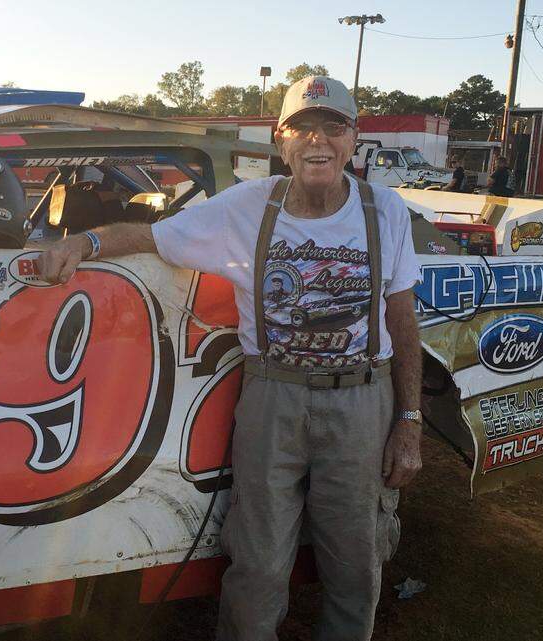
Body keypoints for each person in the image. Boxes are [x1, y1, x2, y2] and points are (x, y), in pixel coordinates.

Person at [38, 75, 423, 641]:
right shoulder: (245, 206)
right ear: (281, 139)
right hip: (273, 399)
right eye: (302, 128)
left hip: (363, 400)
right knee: (258, 559)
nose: (318, 141)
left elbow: (403, 321)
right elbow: (154, 236)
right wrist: (82, 244)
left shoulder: (384, 211)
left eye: (333, 127)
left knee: (356, 560)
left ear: (354, 138)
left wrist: (409, 423)